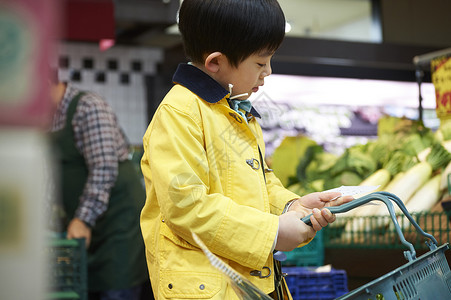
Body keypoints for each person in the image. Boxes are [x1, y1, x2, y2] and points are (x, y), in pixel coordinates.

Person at [140, 0, 353, 299]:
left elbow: (261, 183)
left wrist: (291, 207)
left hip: (248, 284)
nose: (268, 72)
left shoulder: (237, 109)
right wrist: (274, 232)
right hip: (208, 289)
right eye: (260, 62)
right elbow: (186, 208)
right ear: (215, 62)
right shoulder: (180, 113)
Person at [49, 74, 150, 300]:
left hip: (117, 225)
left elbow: (103, 169)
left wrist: (83, 219)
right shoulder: (47, 119)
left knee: (117, 289)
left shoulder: (87, 107)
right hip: (83, 229)